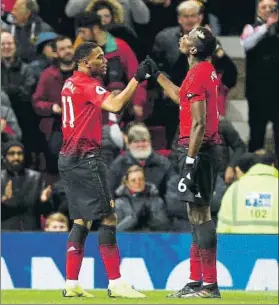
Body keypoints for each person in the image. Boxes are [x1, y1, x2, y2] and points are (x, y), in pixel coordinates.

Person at [59, 41, 150, 298]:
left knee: (81, 221)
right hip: (86, 158)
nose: (105, 60)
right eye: (99, 57)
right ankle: (116, 283)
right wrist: (137, 78)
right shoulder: (88, 85)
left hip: (67, 157)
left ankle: (71, 282)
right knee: (108, 218)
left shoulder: (70, 83)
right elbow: (116, 104)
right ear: (86, 63)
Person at [145, 26, 222, 298]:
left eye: (188, 36)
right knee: (195, 213)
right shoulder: (200, 70)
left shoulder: (199, 73)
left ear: (192, 49)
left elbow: (199, 123)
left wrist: (190, 160)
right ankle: (195, 280)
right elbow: (182, 98)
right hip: (200, 148)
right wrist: (158, 75)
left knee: (201, 213)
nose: (183, 36)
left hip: (199, 148)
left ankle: (209, 285)